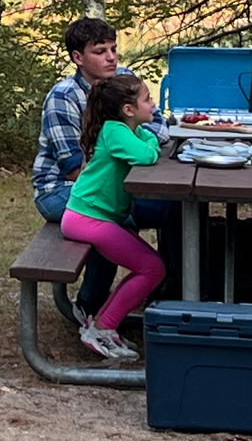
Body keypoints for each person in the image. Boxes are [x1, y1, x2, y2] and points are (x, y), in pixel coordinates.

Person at [31, 18, 179, 320]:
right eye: (100, 51)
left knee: (176, 207)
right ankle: (90, 306)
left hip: (111, 181)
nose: (111, 57)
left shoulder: (123, 80)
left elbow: (158, 125)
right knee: (114, 219)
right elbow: (74, 169)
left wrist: (136, 146)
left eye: (113, 48)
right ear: (78, 58)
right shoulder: (63, 98)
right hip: (60, 190)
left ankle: (178, 293)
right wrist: (134, 149)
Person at [60, 74, 168, 360]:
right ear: (128, 110)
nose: (153, 102)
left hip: (97, 216)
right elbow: (147, 154)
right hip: (88, 218)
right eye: (147, 98)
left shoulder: (123, 130)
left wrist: (149, 144)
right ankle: (103, 328)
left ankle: (101, 327)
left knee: (151, 266)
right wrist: (150, 146)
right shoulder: (115, 132)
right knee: (153, 268)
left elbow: (148, 141)